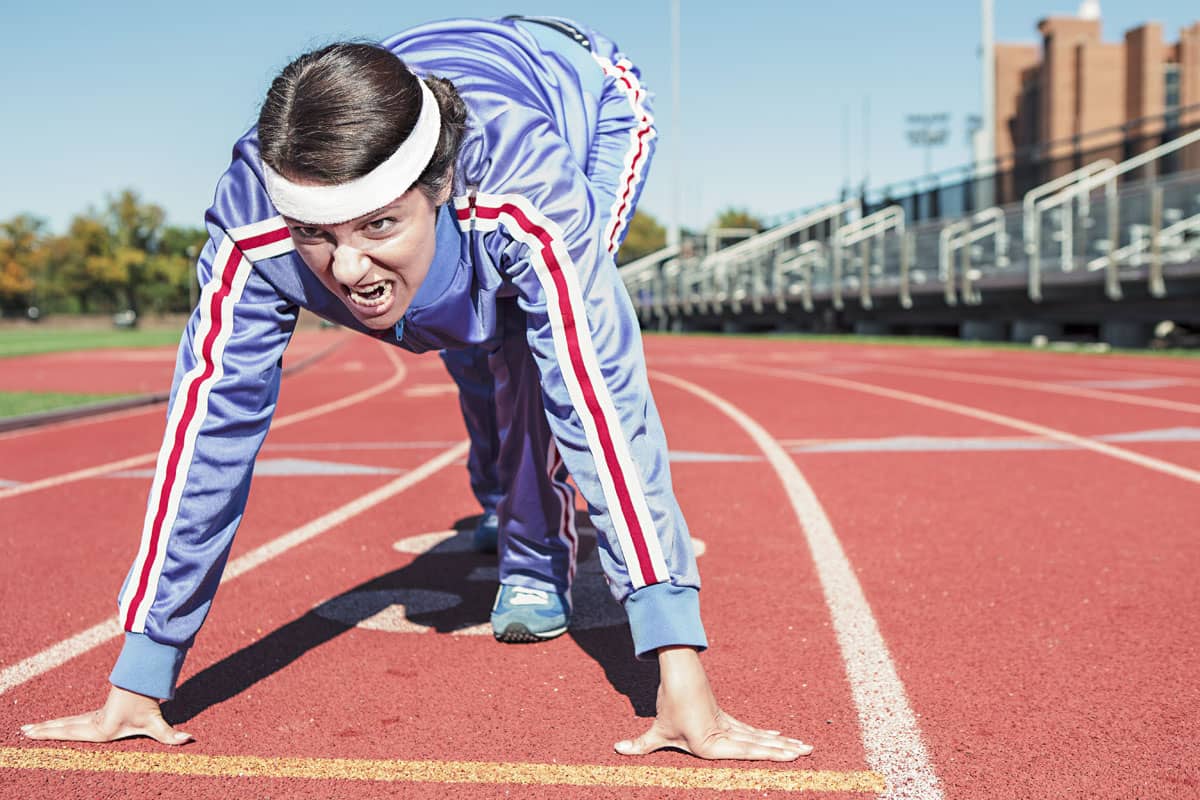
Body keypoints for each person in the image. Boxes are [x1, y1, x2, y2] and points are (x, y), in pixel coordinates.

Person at [21, 16, 812, 761]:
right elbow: (207, 436)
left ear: (434, 187)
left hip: (584, 94)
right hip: (430, 100)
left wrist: (678, 671)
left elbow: (601, 400)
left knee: (533, 347)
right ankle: (499, 489)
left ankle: (535, 555)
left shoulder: (523, 187)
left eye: (377, 227)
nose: (348, 270)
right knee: (461, 332)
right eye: (316, 237)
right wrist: (140, 674)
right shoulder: (252, 224)